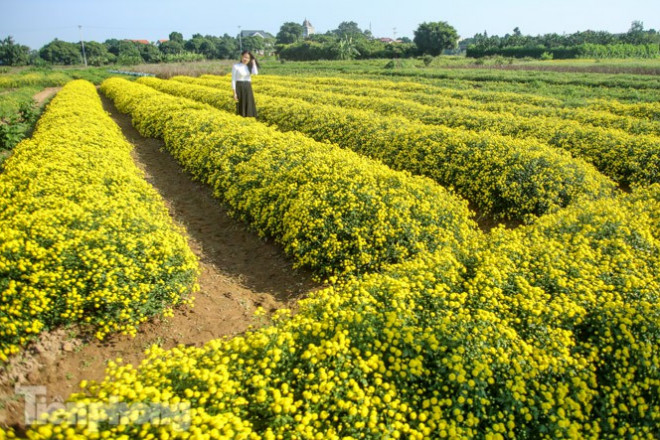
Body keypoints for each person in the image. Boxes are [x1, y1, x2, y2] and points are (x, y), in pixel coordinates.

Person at [232, 50, 259, 117]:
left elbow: (255, 73)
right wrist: (234, 93)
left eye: (247, 58)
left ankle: (250, 120)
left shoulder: (249, 67)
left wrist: (253, 62)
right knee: (240, 105)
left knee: (249, 104)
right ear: (241, 57)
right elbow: (233, 80)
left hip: (248, 87)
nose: (245, 59)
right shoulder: (236, 66)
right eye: (244, 57)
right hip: (239, 86)